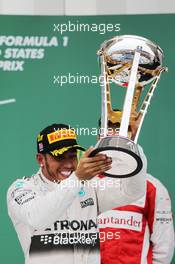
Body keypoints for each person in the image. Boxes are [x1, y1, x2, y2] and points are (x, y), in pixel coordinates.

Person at [7, 123, 147, 264]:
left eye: (72, 156)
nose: (68, 164)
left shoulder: (89, 186)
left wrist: (129, 146)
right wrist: (77, 179)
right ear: (41, 159)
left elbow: (132, 191)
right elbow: (38, 219)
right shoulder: (22, 188)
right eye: (59, 157)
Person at [97, 110, 174, 264]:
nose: (113, 134)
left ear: (131, 136)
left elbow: (164, 246)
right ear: (99, 136)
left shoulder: (152, 187)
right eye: (107, 128)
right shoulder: (83, 184)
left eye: (119, 128)